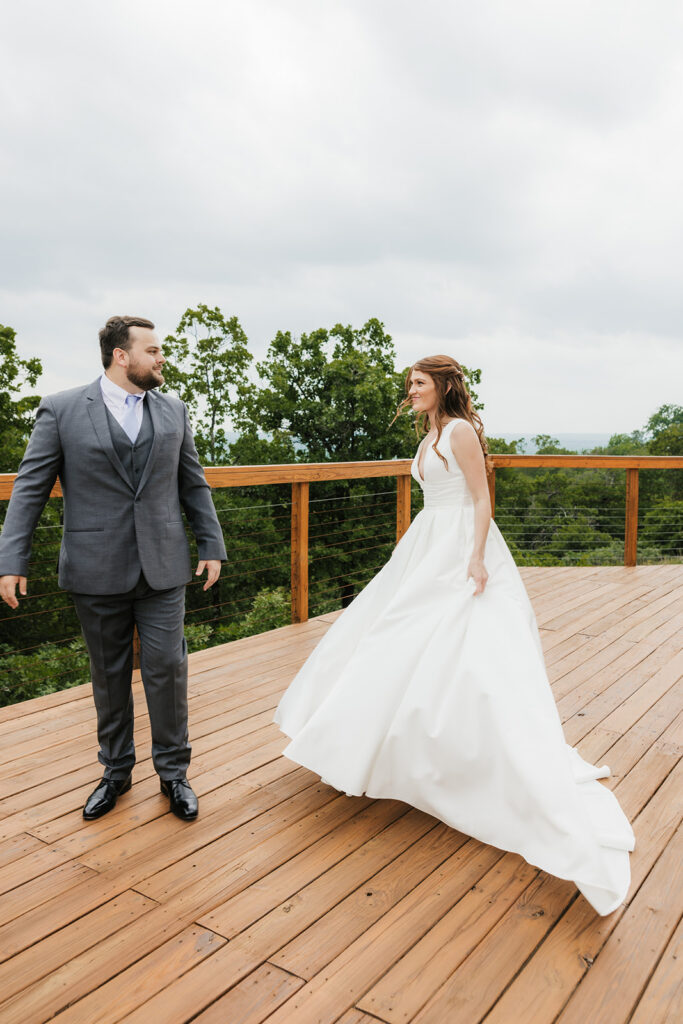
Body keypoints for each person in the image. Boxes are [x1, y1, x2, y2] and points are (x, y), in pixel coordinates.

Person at [275, 354, 635, 915]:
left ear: (443, 386)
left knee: (458, 653)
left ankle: (461, 758)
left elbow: (480, 497)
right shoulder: (429, 435)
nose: (411, 390)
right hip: (426, 544)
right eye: (410, 383)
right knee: (390, 639)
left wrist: (475, 557)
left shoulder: (460, 431)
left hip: (460, 548)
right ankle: (373, 748)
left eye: (419, 383)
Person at [0, 315, 227, 822]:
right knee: (108, 674)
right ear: (121, 356)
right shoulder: (61, 410)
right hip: (95, 568)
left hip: (163, 566)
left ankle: (174, 774)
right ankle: (116, 771)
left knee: (168, 669)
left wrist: (211, 543)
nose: (161, 358)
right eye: (153, 350)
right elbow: (30, 488)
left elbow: (192, 482)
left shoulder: (173, 409)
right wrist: (11, 560)